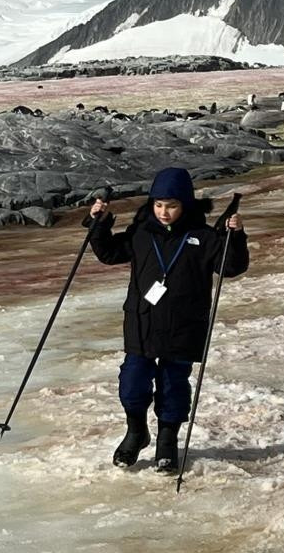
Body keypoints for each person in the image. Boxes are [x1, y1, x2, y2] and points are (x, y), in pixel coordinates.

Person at [87, 167, 249, 473]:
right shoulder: (141, 233)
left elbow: (230, 267)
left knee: (173, 385)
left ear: (185, 204)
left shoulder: (203, 237)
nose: (164, 212)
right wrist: (99, 222)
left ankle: (167, 441)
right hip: (142, 321)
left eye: (172, 205)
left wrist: (235, 236)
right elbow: (108, 253)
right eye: (158, 205)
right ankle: (136, 433)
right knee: (132, 383)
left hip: (184, 324)